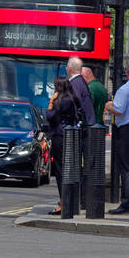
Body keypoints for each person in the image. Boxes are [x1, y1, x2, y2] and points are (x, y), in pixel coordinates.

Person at [105, 59, 129, 215]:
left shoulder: (125, 88)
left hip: (127, 131)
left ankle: (127, 202)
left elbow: (118, 110)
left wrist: (108, 106)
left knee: (127, 169)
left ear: (127, 72)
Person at [46, 76, 83, 214]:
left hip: (59, 137)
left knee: (60, 171)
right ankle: (71, 202)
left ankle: (64, 203)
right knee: (70, 170)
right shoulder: (73, 99)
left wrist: (51, 102)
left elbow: (50, 116)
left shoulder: (60, 101)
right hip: (71, 136)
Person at [66, 56, 95, 127]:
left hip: (76, 127)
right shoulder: (81, 82)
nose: (66, 68)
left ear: (69, 69)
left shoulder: (75, 83)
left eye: (66, 66)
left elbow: (73, 104)